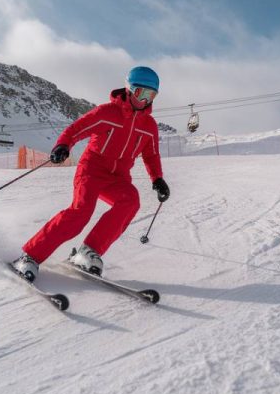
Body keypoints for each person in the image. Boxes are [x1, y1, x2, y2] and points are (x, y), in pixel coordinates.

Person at [11, 66, 170, 282]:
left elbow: (151, 155)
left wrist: (157, 179)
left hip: (118, 177)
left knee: (130, 201)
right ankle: (29, 256)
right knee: (82, 210)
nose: (146, 100)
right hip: (92, 170)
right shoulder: (107, 113)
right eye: (142, 93)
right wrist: (63, 145)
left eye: (152, 95)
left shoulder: (149, 125)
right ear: (130, 90)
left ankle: (87, 253)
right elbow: (77, 129)